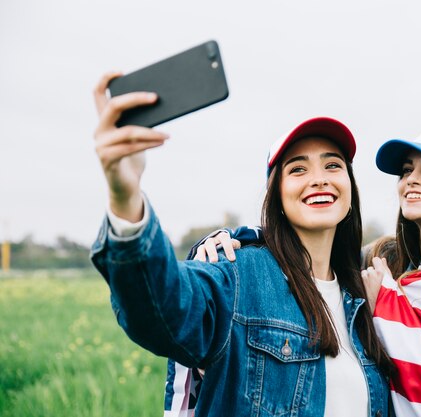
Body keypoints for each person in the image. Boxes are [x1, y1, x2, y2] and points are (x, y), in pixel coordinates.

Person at [90, 71, 393, 417]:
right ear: (276, 197)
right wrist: (125, 196)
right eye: (297, 170)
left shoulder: (364, 294)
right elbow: (160, 309)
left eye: (333, 165)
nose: (319, 179)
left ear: (350, 190)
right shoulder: (239, 274)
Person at [196, 123, 421, 417]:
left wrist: (387, 303)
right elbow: (321, 248)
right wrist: (237, 238)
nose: (411, 180)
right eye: (406, 170)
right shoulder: (389, 260)